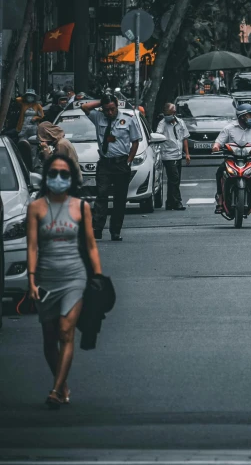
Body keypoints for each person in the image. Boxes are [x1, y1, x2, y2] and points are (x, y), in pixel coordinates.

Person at [26, 154, 102, 409]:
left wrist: (98, 277)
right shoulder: (36, 207)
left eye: (65, 174)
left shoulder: (81, 207)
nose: (59, 178)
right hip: (46, 279)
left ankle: (56, 391)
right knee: (49, 339)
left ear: (71, 179)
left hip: (74, 277)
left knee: (65, 331)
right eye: (54, 173)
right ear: (47, 177)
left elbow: (91, 245)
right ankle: (63, 384)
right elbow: (32, 246)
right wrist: (32, 279)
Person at [80, 94, 142, 241]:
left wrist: (129, 160)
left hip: (121, 164)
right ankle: (97, 229)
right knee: (101, 196)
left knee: (119, 199)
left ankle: (115, 231)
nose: (109, 113)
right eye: (106, 109)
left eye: (112, 109)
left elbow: (135, 142)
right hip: (105, 163)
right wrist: (100, 103)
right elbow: (84, 107)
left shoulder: (128, 119)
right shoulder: (98, 117)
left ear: (117, 106)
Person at [212, 104, 251, 211]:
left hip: (250, 159)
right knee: (220, 172)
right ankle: (220, 200)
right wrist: (216, 147)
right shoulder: (229, 128)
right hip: (231, 159)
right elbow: (218, 142)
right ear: (242, 116)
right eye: (250, 115)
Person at [156, 103, 191, 211]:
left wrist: (187, 154)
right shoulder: (162, 124)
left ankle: (169, 202)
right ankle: (177, 202)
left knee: (175, 180)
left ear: (174, 113)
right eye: (166, 114)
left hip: (178, 154)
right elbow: (158, 134)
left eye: (169, 114)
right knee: (174, 178)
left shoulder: (180, 122)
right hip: (168, 155)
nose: (167, 116)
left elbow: (184, 138)